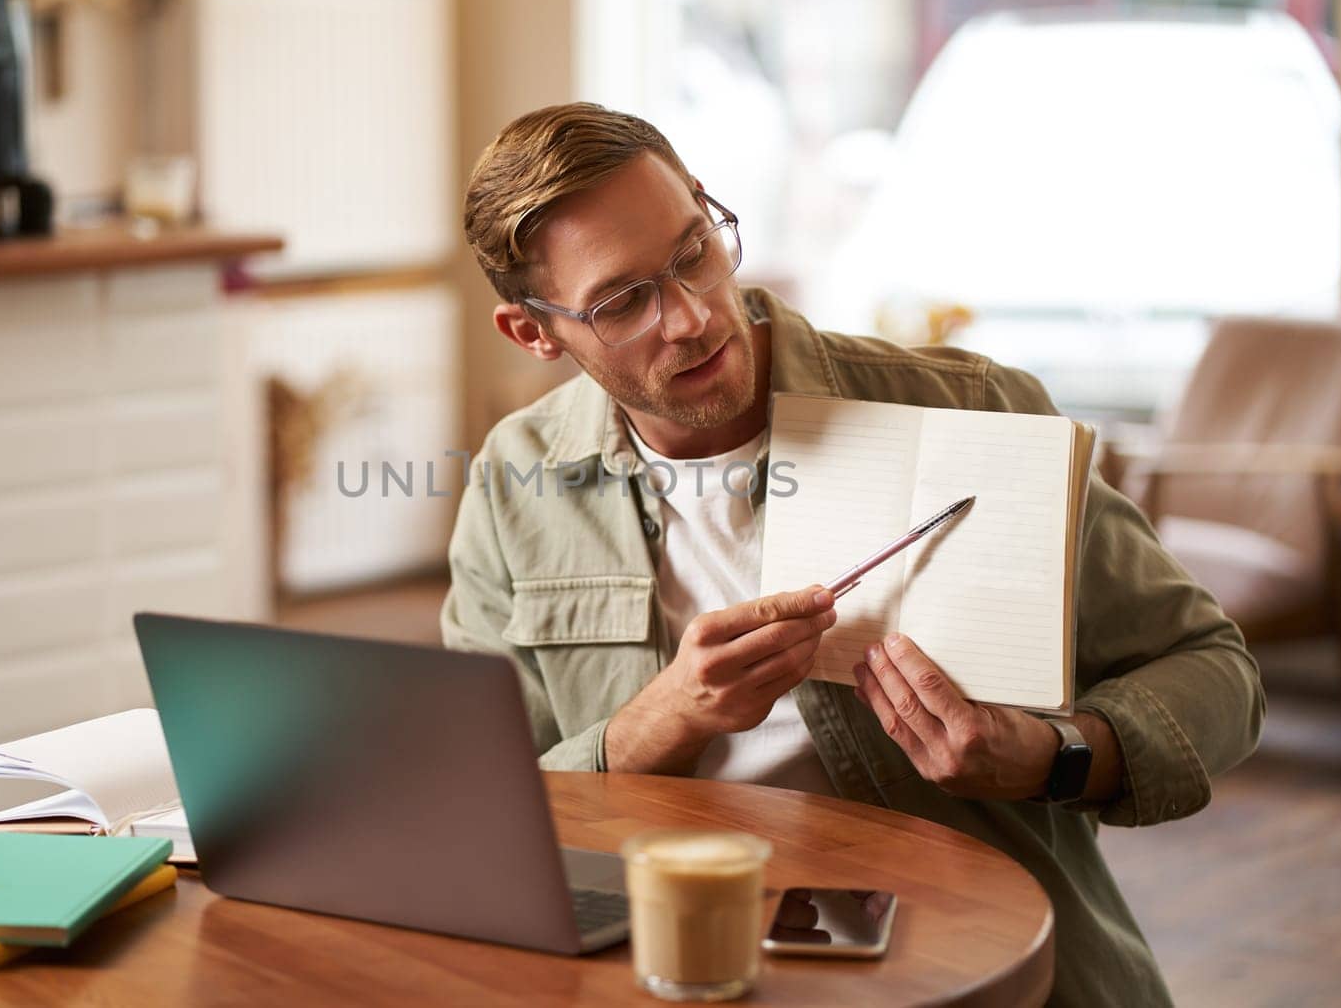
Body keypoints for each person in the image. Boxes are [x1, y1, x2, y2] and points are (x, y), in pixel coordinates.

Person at [441, 102, 1263, 1006]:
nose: (688, 318)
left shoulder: (971, 410)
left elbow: (1217, 672)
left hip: (975, 963)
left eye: (693, 253)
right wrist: (662, 721)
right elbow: (485, 817)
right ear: (534, 332)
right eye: (625, 300)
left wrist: (1050, 755)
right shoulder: (515, 480)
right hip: (670, 964)